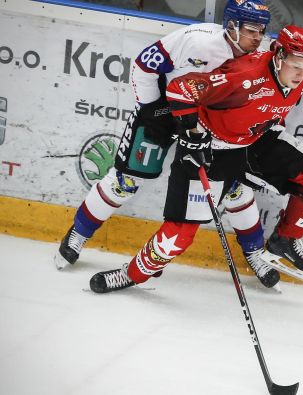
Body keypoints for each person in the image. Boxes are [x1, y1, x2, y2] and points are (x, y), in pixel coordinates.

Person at [88, 24, 303, 293]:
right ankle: (131, 274)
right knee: (180, 234)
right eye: (297, 66)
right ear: (278, 55)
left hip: (257, 141)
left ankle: (286, 240)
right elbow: (180, 90)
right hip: (212, 148)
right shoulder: (244, 76)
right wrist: (192, 133)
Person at [55, 0, 285, 288]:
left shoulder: (261, 54)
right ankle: (78, 233)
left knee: (235, 189)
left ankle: (254, 253)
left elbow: (290, 62)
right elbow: (144, 64)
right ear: (231, 26)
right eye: (252, 29)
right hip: (164, 114)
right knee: (124, 181)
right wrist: (150, 108)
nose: (258, 37)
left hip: (210, 126)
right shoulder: (197, 41)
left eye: (262, 30)